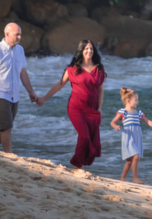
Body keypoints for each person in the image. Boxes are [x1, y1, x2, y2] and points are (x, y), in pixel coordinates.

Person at [38, 39, 107, 168]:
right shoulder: (73, 69)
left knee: (87, 137)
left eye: (91, 48)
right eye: (86, 48)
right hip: (76, 108)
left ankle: (78, 167)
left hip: (92, 109)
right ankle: (77, 165)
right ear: (81, 51)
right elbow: (59, 85)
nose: (89, 51)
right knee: (85, 136)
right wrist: (44, 98)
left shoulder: (99, 68)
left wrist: (99, 107)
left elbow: (100, 89)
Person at [0, 22, 39, 153]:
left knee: (3, 127)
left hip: (14, 96)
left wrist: (31, 92)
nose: (19, 37)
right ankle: (9, 156)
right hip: (0, 94)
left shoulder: (20, 50)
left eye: (20, 34)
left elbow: (23, 72)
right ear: (7, 34)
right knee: (6, 127)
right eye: (17, 34)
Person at [110, 87, 152, 183]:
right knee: (136, 156)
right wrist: (116, 126)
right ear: (128, 101)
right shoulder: (123, 112)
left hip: (137, 136)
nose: (138, 102)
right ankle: (135, 178)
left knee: (130, 160)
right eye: (136, 100)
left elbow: (147, 121)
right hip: (128, 136)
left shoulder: (138, 113)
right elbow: (112, 122)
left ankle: (122, 178)